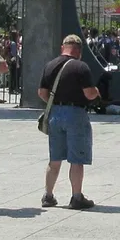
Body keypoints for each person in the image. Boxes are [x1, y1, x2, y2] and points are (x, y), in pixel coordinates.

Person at [38, 34, 100, 209]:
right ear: (79, 51)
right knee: (76, 158)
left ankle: (48, 196)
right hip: (76, 114)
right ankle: (76, 197)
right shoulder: (81, 67)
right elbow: (89, 93)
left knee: (55, 158)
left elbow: (42, 93)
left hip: (55, 114)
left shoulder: (50, 65)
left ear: (62, 48)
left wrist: (56, 102)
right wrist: (96, 92)